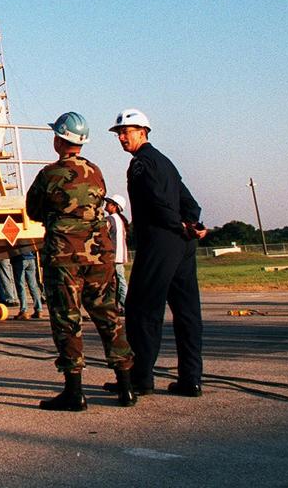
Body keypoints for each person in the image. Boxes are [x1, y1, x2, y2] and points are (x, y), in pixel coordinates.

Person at [26, 111, 135, 410]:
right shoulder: (96, 171)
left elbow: (33, 210)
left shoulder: (50, 174)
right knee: (108, 316)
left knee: (67, 320)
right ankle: (126, 387)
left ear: (59, 139)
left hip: (64, 256)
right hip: (100, 255)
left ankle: (74, 393)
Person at [109, 109, 206, 398]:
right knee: (187, 312)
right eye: (119, 133)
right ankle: (191, 379)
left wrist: (177, 224)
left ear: (143, 132)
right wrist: (193, 225)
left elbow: (158, 202)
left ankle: (141, 378)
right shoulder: (165, 162)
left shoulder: (141, 163)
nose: (122, 137)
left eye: (127, 132)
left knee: (142, 311)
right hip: (183, 244)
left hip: (161, 241)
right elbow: (188, 200)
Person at [105, 194, 131, 307]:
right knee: (119, 280)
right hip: (120, 255)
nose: (106, 205)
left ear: (115, 206)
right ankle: (120, 304)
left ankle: (124, 304)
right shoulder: (121, 219)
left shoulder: (110, 219)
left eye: (109, 203)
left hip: (113, 255)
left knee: (117, 281)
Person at [10, 241, 44, 320]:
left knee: (20, 286)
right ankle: (39, 310)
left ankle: (24, 310)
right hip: (31, 258)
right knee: (33, 286)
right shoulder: (26, 232)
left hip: (18, 259)